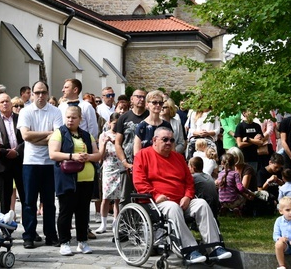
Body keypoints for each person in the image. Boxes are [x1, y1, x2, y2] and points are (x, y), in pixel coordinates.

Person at [133, 127, 231, 264]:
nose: (169, 142)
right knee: (173, 207)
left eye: (171, 140)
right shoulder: (142, 155)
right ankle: (190, 250)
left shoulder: (178, 158)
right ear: (154, 140)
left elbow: (189, 182)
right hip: (157, 201)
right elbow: (139, 182)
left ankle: (215, 247)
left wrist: (188, 196)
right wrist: (155, 195)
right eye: (165, 139)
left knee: (202, 204)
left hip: (182, 200)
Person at [48, 105, 102, 256]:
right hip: (67, 179)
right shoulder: (59, 133)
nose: (70, 120)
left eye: (74, 117)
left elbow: (97, 154)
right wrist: (72, 156)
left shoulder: (86, 135)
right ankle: (64, 242)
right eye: (68, 117)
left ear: (80, 119)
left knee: (83, 212)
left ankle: (82, 242)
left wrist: (88, 157)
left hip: (86, 179)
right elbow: (53, 154)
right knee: (66, 211)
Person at [17, 81, 63, 249]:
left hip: (49, 162)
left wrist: (40, 137)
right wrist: (49, 135)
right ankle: (28, 235)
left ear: (48, 92)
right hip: (30, 162)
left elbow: (58, 137)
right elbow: (26, 136)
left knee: (49, 202)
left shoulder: (55, 111)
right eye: (37, 92)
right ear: (32, 94)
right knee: (29, 202)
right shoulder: (25, 111)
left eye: (43, 92)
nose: (41, 96)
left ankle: (51, 235)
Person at [114, 89, 148, 206]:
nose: (141, 99)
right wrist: (124, 162)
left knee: (145, 195)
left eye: (144, 97)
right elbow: (118, 143)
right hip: (128, 165)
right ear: (132, 99)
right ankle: (124, 223)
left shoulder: (150, 117)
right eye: (138, 96)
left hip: (146, 165)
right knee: (125, 197)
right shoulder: (124, 118)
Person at [0, 93, 25, 214]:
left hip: (21, 161)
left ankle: (29, 229)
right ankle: (6, 229)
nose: (5, 103)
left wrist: (17, 151)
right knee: (4, 199)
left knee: (25, 197)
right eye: (2, 102)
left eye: (7, 101)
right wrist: (6, 152)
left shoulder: (21, 118)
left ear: (11, 103)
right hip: (3, 163)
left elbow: (27, 139)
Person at [95, 112, 124, 234]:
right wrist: (106, 142)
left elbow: (122, 151)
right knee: (106, 197)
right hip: (108, 167)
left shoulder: (121, 135)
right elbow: (100, 156)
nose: (115, 126)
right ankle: (103, 223)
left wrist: (115, 143)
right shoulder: (104, 135)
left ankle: (115, 223)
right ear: (109, 123)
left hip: (120, 167)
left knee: (118, 198)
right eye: (113, 123)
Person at [132, 90, 173, 155]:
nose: (158, 105)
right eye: (154, 102)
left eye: (160, 103)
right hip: (147, 163)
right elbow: (137, 153)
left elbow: (172, 149)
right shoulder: (142, 126)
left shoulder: (166, 125)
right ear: (147, 105)